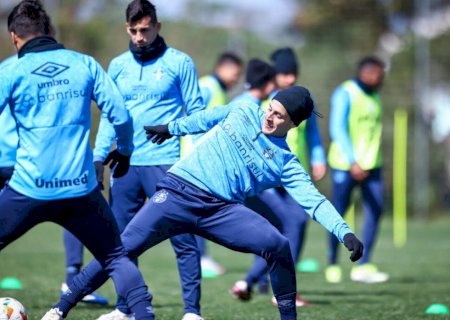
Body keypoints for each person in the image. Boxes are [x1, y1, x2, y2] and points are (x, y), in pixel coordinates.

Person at [54, 85, 364, 320]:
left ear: (292, 124)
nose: (268, 116)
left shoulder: (286, 162)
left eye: (279, 115)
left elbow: (315, 202)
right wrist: (171, 128)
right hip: (177, 193)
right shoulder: (244, 110)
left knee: (278, 244)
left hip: (221, 211)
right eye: (270, 108)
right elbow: (207, 117)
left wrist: (345, 232)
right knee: (121, 249)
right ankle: (60, 309)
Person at [0, 1, 154, 319]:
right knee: (116, 259)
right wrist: (124, 150)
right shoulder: (84, 64)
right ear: (51, 31)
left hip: (29, 188)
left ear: (14, 37)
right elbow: (121, 116)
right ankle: (144, 316)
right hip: (80, 190)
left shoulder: (10, 70)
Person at [93, 1, 205, 319]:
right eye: (133, 31)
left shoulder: (180, 62)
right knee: (122, 242)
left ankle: (192, 312)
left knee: (182, 238)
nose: (139, 37)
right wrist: (98, 156)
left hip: (167, 164)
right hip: (126, 164)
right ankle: (124, 309)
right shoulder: (117, 66)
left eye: (145, 29)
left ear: (157, 26)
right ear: (126, 29)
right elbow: (109, 118)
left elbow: (195, 113)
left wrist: (198, 159)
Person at [0, 55, 109, 305]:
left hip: (9, 158)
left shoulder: (8, 67)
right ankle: (72, 279)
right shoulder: (59, 68)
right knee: (74, 210)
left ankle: (73, 279)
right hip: (29, 160)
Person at [232, 48, 327, 307]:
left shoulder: (303, 101)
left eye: (294, 73)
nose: (290, 78)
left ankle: (253, 282)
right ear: (276, 74)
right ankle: (278, 290)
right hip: (269, 177)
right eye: (285, 73)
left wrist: (318, 158)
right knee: (289, 225)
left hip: (293, 174)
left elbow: (313, 136)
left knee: (285, 227)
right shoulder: (265, 100)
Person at [326, 56, 389, 284]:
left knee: (376, 209)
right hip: (346, 164)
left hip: (372, 165)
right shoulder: (345, 92)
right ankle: (332, 261)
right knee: (337, 213)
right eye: (379, 74)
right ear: (367, 73)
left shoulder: (375, 97)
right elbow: (337, 128)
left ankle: (364, 264)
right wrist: (353, 161)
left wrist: (368, 161)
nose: (382, 79)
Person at [196, 51, 243, 277]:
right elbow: (192, 114)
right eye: (235, 73)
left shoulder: (220, 91)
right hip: (197, 157)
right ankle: (201, 258)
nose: (236, 78)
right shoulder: (207, 86)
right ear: (223, 68)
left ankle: (203, 256)